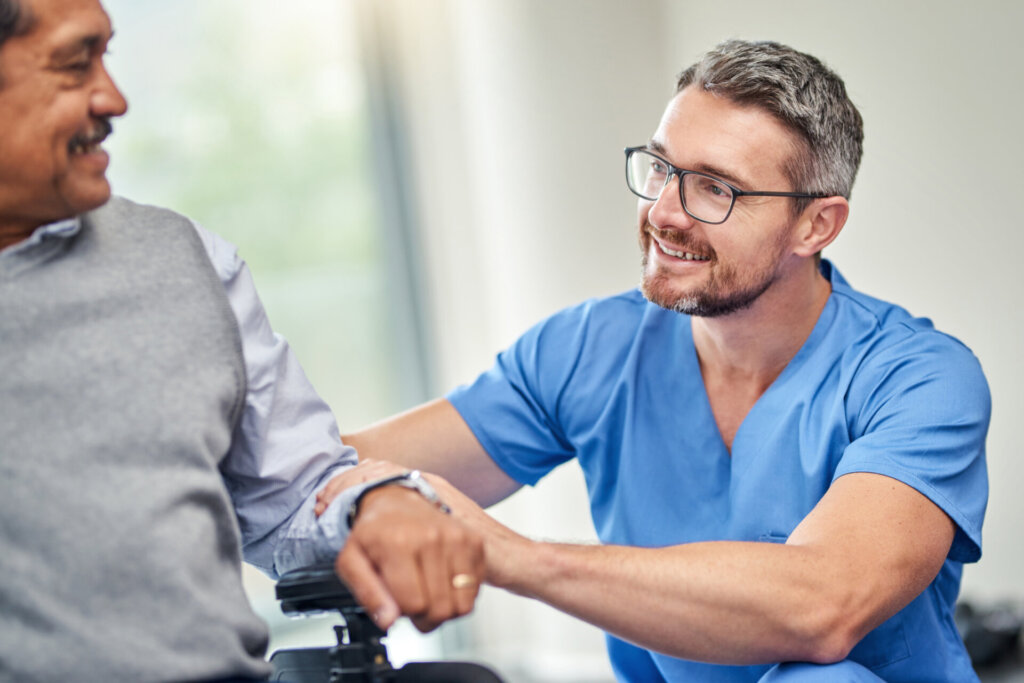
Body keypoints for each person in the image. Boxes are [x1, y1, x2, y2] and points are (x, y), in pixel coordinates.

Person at [323, 40, 990, 681]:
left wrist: (514, 558)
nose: (663, 212)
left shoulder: (920, 380)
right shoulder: (591, 350)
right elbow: (325, 473)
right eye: (662, 168)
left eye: (714, 188)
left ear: (816, 225)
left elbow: (823, 605)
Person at [0, 0, 484, 681]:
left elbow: (293, 495)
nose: (114, 97)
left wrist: (377, 501)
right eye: (77, 64)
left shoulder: (186, 259)